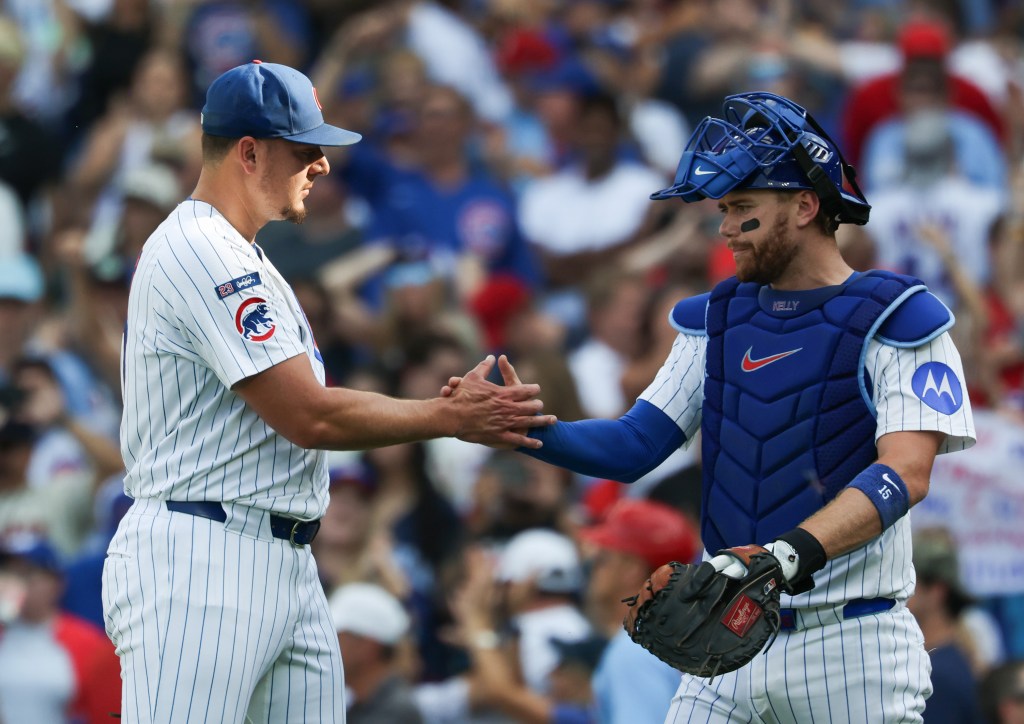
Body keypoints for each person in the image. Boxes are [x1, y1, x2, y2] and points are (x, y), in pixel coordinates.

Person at [448, 91, 977, 721]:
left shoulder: (901, 318)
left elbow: (905, 474)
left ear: (805, 205)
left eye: (742, 207)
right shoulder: (716, 318)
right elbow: (635, 444)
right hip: (727, 640)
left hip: (852, 646)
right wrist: (524, 428)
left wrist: (785, 555)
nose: (725, 228)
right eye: (724, 208)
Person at [101, 60, 555, 724]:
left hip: (280, 553)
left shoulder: (243, 253)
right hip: (200, 554)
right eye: (304, 149)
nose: (322, 164)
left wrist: (446, 413)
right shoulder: (201, 248)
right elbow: (309, 416)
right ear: (250, 153)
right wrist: (449, 416)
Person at [328, 582, 424, 724]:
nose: (325, 645)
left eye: (335, 636)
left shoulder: (395, 712)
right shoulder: (363, 705)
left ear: (367, 646)